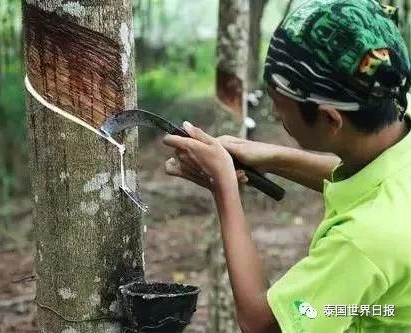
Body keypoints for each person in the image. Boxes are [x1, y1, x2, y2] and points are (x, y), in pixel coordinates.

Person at [163, 0, 411, 332]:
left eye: (280, 107)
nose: (277, 117)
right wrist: (273, 157)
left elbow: (263, 324)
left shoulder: (363, 241)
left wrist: (223, 186)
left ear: (329, 118)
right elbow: (371, 186)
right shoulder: (393, 143)